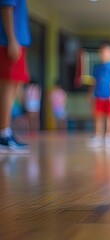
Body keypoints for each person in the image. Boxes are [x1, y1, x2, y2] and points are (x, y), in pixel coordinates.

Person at [0, 0, 31, 153]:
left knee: (13, 88)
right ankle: (3, 135)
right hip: (9, 43)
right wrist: (12, 40)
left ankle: (6, 132)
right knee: (8, 88)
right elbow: (6, 8)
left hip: (18, 42)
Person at [87, 42, 110, 148]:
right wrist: (91, 94)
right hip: (98, 95)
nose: (105, 54)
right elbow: (94, 82)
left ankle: (109, 137)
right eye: (103, 52)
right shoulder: (96, 68)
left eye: (107, 52)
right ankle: (98, 136)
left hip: (109, 96)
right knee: (98, 116)